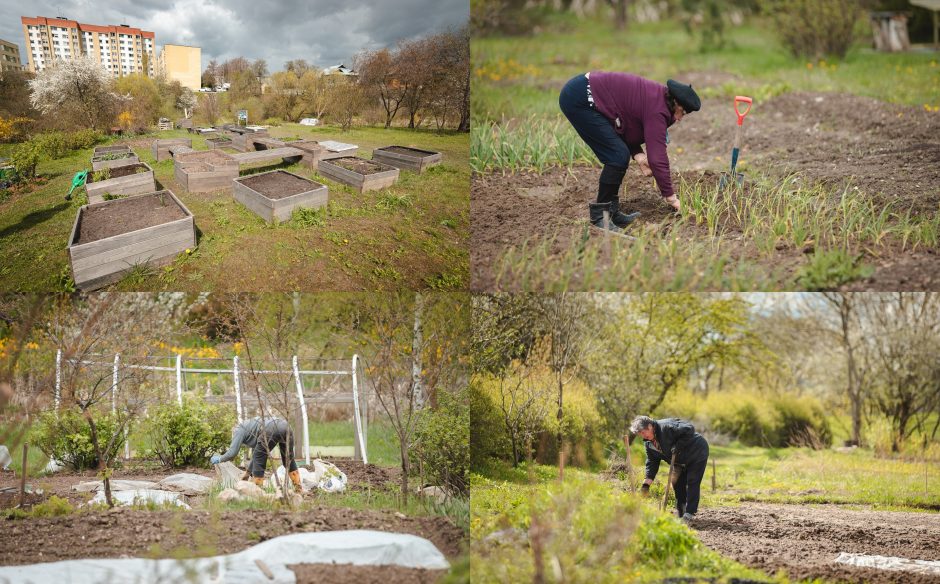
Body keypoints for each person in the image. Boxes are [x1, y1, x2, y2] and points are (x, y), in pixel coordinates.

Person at [559, 72, 701, 232]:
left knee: (619, 153)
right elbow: (657, 158)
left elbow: (626, 123)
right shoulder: (658, 109)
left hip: (588, 92)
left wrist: (638, 155)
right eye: (682, 112)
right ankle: (600, 217)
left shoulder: (659, 100)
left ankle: (611, 212)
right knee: (616, 156)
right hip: (580, 98)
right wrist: (671, 198)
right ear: (675, 101)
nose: (681, 118)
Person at [630, 415, 709, 525]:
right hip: (678, 460)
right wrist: (646, 485)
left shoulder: (666, 426)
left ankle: (689, 513)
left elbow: (689, 428)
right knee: (676, 482)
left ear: (650, 426)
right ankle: (682, 512)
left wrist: (678, 445)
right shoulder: (649, 444)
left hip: (696, 452)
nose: (643, 436)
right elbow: (652, 463)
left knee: (692, 481)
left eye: (643, 432)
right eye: (640, 434)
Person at [210, 416, 302, 492]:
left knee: (259, 458)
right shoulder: (251, 427)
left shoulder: (238, 430)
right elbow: (255, 455)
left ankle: (258, 491)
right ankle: (299, 488)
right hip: (286, 426)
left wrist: (219, 459)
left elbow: (232, 453)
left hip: (270, 429)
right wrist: (247, 474)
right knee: (288, 460)